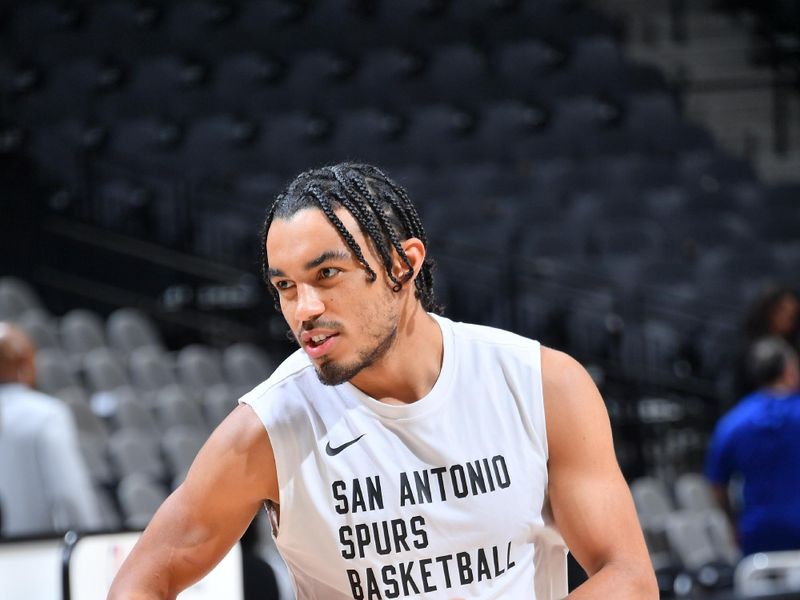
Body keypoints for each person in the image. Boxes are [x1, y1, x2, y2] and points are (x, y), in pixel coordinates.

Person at [109, 163, 657, 599]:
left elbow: (629, 577)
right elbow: (138, 584)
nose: (305, 309)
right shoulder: (269, 428)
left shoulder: (540, 385)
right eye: (284, 286)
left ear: (403, 264)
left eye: (328, 274)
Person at [0, 322, 103, 537]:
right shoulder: (45, 415)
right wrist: (88, 540)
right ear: (25, 362)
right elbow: (69, 494)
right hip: (35, 550)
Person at [705, 336, 800, 557]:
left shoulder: (733, 422)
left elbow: (716, 484)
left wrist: (733, 522)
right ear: (788, 370)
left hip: (758, 533)